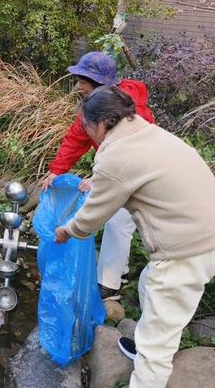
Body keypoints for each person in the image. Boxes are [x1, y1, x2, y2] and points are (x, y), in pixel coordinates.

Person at [54, 86, 215, 388]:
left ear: (101, 123)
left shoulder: (115, 155)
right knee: (147, 283)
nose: (87, 135)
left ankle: (149, 361)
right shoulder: (148, 133)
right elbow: (124, 178)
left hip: (187, 252)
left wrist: (67, 231)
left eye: (87, 127)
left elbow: (92, 216)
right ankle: (148, 339)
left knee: (156, 351)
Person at [41, 52, 155, 300]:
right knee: (116, 221)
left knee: (118, 221)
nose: (78, 85)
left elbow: (134, 153)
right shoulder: (94, 105)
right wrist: (56, 170)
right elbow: (77, 137)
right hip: (118, 170)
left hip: (141, 173)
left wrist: (98, 180)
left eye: (83, 80)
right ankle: (118, 271)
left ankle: (109, 286)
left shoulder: (130, 108)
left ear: (100, 83)